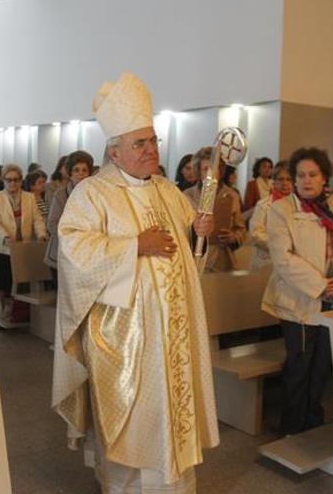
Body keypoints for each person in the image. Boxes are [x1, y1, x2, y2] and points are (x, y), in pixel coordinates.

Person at [52, 72, 218, 493]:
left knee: (173, 413)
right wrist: (133, 246)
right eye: (139, 143)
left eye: (153, 141)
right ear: (115, 151)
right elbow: (73, 250)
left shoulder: (168, 190)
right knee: (132, 421)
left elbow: (189, 252)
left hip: (173, 333)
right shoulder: (92, 193)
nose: (150, 150)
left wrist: (200, 230)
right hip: (125, 336)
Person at [261, 146, 333, 435]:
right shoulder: (281, 211)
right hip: (300, 300)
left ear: (324, 178)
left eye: (313, 175)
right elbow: (283, 259)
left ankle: (313, 422)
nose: (306, 181)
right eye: (300, 175)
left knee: (322, 365)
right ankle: (292, 428)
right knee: (299, 366)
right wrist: (322, 286)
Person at [0, 165, 47, 326]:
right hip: (3, 246)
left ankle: (20, 313)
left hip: (23, 245)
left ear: (21, 181)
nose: (13, 183)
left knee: (22, 280)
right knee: (4, 282)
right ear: (4, 181)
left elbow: (37, 219)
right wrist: (5, 236)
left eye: (16, 180)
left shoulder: (29, 197)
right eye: (9, 180)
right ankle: (5, 312)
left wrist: (42, 234)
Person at [183, 147, 247, 272]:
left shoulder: (231, 195)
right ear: (198, 172)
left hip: (222, 260)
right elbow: (180, 228)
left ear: (220, 170)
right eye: (205, 169)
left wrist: (233, 237)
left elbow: (241, 229)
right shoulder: (187, 195)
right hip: (195, 258)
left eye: (213, 168)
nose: (209, 173)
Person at [44, 150, 92, 271]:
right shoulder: (60, 195)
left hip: (87, 253)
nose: (81, 174)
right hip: (62, 253)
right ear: (70, 174)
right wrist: (72, 239)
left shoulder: (94, 195)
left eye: (84, 170)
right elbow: (52, 224)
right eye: (76, 170)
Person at [248, 160, 292, 270]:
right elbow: (255, 233)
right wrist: (280, 245)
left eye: (288, 179)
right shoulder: (263, 205)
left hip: (291, 264)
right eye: (280, 179)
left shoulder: (299, 205)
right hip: (266, 262)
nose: (285, 183)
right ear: (273, 181)